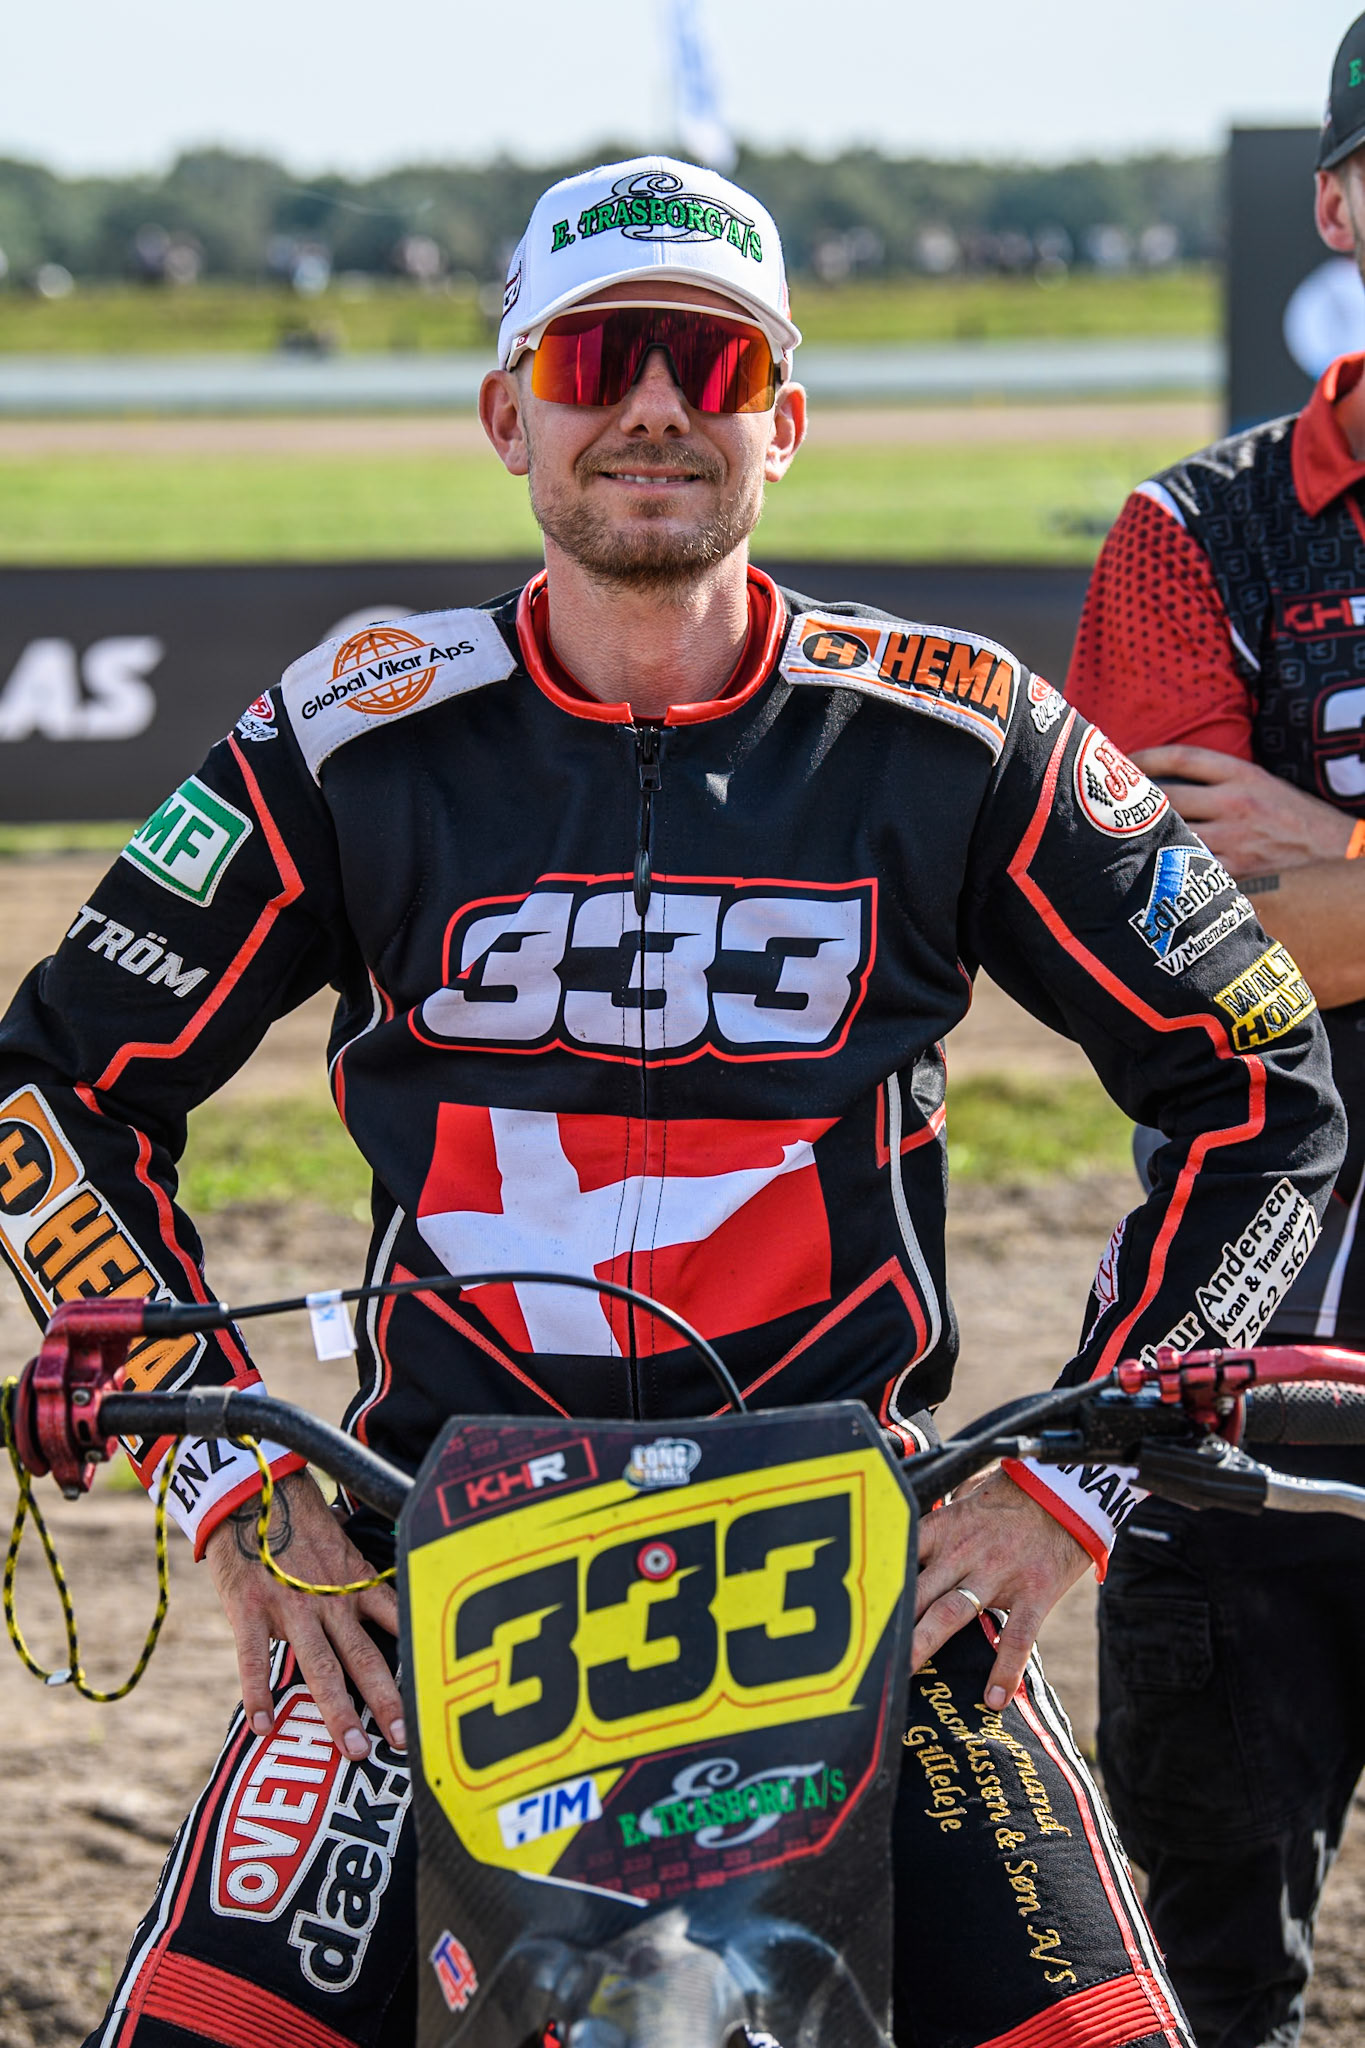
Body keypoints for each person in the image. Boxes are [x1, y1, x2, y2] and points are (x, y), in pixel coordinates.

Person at [0, 153, 1339, 2048]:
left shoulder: (957, 732)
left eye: (710, 365)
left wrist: (1066, 1484)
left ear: (781, 421)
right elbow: (49, 1087)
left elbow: (1261, 1086)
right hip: (425, 1573)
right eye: (595, 356)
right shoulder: (350, 731)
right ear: (508, 415)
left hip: (868, 1577)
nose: (650, 406)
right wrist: (232, 1479)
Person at [1064, 20, 1365, 2044]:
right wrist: (1290, 903)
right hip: (1244, 1368)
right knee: (1201, 1997)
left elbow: (1300, 912)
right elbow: (1192, 961)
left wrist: (1336, 851)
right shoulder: (1195, 530)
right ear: (1335, 204)